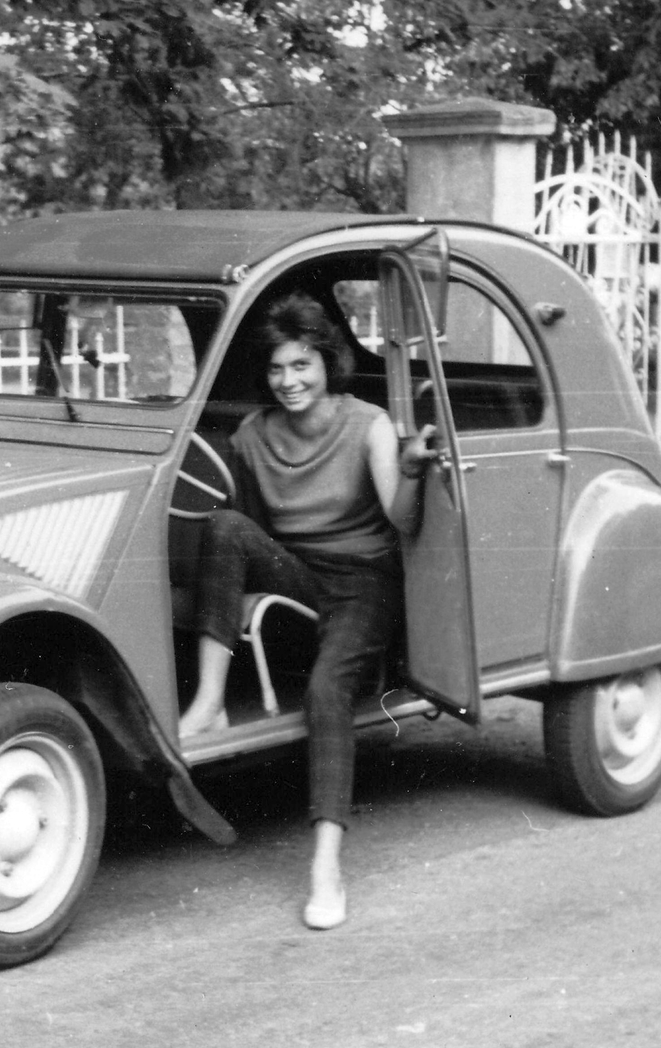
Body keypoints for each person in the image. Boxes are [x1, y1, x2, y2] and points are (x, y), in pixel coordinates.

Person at [176, 292, 435, 931]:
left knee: (326, 695)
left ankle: (326, 865)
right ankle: (207, 705)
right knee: (224, 528)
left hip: (365, 584)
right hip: (303, 575)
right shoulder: (252, 435)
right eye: (276, 369)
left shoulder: (367, 423)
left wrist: (411, 469)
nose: (289, 382)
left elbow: (402, 520)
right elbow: (249, 534)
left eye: (302, 365)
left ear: (327, 362)